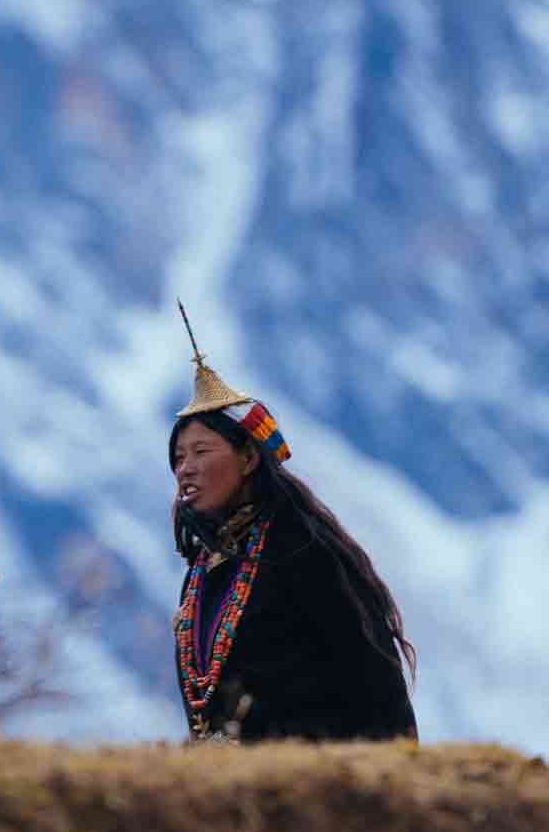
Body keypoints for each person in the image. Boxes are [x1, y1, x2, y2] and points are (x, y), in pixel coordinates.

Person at [167, 308, 417, 744]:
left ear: (247, 459)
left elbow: (375, 687)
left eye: (201, 452)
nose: (185, 468)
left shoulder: (306, 552)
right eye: (179, 457)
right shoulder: (204, 570)